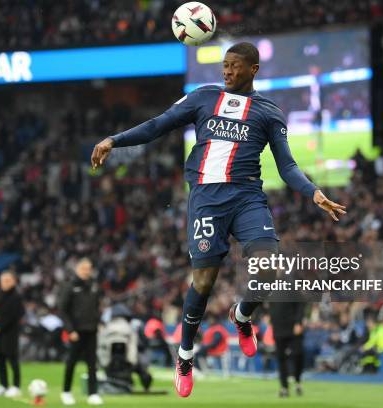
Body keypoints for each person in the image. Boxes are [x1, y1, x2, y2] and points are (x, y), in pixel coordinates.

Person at [91, 42, 346, 397]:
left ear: (253, 69)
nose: (226, 71)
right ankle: (185, 354)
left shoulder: (269, 113)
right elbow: (158, 125)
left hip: (246, 197)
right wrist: (114, 140)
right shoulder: (202, 97)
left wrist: (313, 192)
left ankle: (242, 316)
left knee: (269, 268)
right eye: (224, 65)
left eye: (234, 66)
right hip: (207, 200)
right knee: (205, 281)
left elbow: (286, 166)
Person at [58, 258, 104, 406]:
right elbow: (62, 310)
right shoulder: (69, 286)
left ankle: (93, 393)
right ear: (77, 270)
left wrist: (98, 322)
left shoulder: (94, 286)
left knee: (92, 364)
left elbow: (97, 307)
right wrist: (70, 330)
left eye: (88, 268)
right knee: (71, 362)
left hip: (91, 330)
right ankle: (66, 392)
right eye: (83, 268)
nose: (86, 271)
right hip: (76, 332)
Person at [0, 271, 25, 398]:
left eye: (7, 280)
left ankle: (16, 386)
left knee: (13, 359)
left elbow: (15, 315)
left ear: (13, 281)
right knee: (0, 359)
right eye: (3, 281)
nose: (4, 283)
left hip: (10, 333)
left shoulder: (16, 296)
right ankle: (3, 385)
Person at [268, 302, 306, 397]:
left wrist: (298, 322)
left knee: (297, 354)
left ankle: (297, 380)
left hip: (293, 326)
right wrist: (265, 313)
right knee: (281, 358)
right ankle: (284, 387)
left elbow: (300, 304)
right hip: (278, 327)